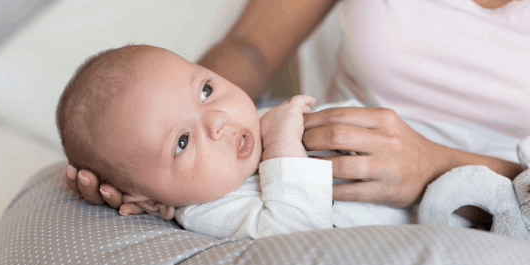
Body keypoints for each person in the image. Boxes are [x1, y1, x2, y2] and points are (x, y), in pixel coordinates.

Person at [65, 0, 528, 216]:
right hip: (314, 159)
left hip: (503, 195)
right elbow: (250, 48)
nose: (217, 120)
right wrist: (144, 147)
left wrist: (434, 167)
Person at [58, 44, 412, 239]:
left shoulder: (257, 121)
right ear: (153, 202)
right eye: (182, 142)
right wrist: (282, 147)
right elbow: (296, 240)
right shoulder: (212, 208)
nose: (218, 119)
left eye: (206, 90)